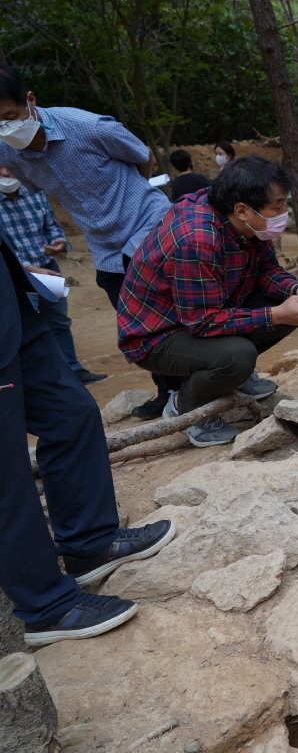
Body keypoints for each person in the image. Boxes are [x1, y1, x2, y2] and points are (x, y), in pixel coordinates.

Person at [0, 223, 176, 646]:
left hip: (10, 302)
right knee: (6, 472)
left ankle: (89, 543)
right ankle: (45, 607)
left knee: (72, 413)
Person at [0, 64, 180, 417]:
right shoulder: (7, 152)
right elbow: (38, 190)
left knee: (169, 309)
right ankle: (169, 390)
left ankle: (212, 380)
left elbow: (142, 156)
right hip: (105, 245)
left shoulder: (86, 126)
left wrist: (132, 198)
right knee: (136, 326)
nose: (6, 127)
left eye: (10, 115)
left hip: (148, 223)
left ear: (30, 101)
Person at [117, 156, 298, 447]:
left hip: (202, 312)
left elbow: (266, 271)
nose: (284, 212)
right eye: (278, 206)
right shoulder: (197, 239)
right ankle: (187, 407)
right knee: (237, 355)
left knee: (284, 303)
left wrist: (297, 291)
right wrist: (276, 315)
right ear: (243, 210)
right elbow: (202, 321)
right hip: (158, 334)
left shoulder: (245, 222)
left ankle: (231, 377)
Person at [0, 168, 105, 384]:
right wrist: (31, 270)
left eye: (8, 167)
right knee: (27, 327)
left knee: (59, 321)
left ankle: (73, 371)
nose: (5, 173)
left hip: (49, 268)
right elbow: (4, 250)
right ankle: (39, 381)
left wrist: (59, 243)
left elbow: (52, 226)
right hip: (17, 279)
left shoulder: (35, 194)